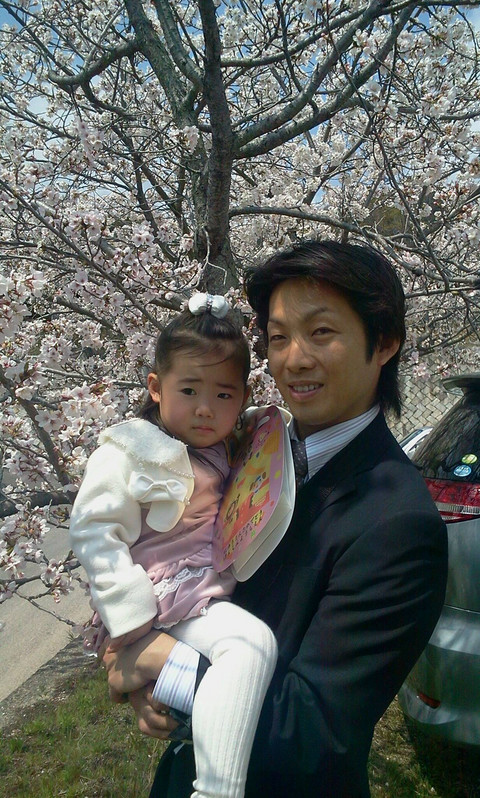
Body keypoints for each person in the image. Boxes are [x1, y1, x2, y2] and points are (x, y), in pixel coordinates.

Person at [106, 240, 448, 798]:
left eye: (321, 332)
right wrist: (156, 685)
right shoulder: (255, 449)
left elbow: (314, 731)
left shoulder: (398, 525)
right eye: (280, 337)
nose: (294, 359)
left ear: (384, 343)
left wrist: (163, 665)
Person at [69, 293, 278, 798]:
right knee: (250, 646)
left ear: (243, 397)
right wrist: (130, 614)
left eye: (224, 395)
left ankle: (196, 749)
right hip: (161, 599)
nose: (206, 409)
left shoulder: (227, 446)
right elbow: (94, 529)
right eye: (188, 390)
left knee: (225, 671)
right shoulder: (131, 450)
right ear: (156, 388)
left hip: (200, 593)